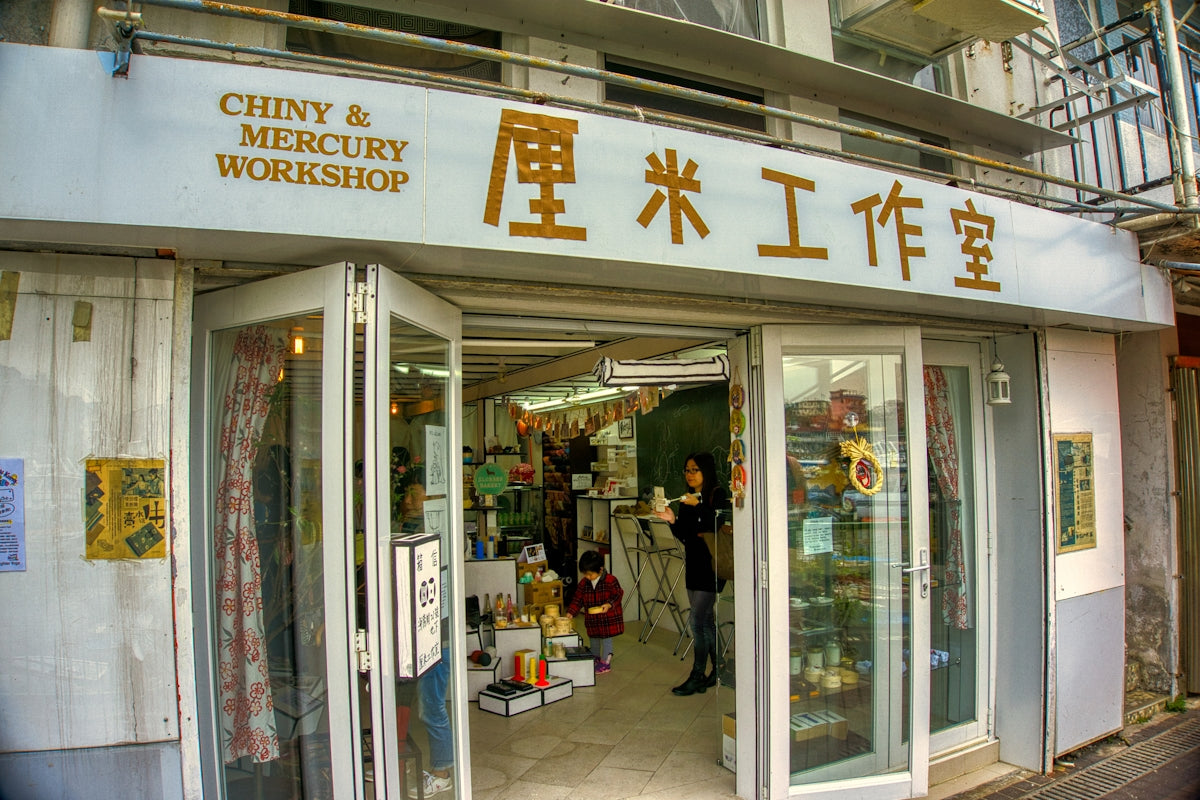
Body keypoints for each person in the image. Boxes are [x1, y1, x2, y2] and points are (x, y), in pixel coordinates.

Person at [655, 450, 728, 696]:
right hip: (694, 564)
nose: (690, 474)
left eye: (694, 469)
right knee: (706, 621)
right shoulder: (687, 499)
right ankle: (717, 670)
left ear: (705, 470)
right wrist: (672, 520)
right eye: (687, 470)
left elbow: (718, 524)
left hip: (714, 566)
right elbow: (686, 536)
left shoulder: (717, 495)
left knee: (697, 621)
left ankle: (697, 675)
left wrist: (699, 506)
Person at [564, 549, 624, 673]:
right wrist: (571, 612)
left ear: (600, 569)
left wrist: (609, 604)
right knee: (593, 638)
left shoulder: (610, 580)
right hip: (592, 619)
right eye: (585, 574)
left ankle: (605, 662)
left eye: (590, 574)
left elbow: (618, 594)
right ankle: (595, 657)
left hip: (607, 619)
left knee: (606, 639)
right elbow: (578, 599)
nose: (587, 577)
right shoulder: (584, 583)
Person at [411, 657, 454, 798]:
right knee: (403, 700)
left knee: (433, 708)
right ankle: (397, 761)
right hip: (423, 645)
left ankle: (441, 774)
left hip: (435, 647)